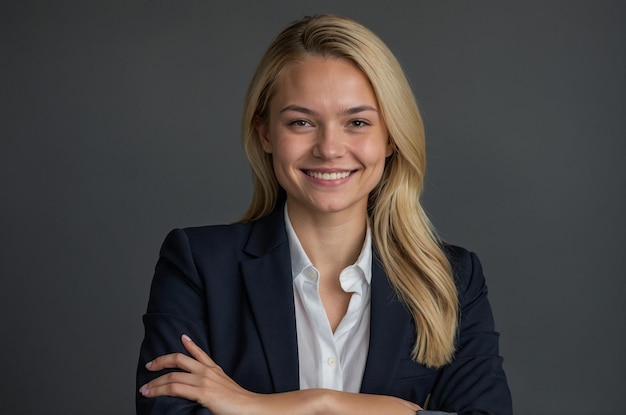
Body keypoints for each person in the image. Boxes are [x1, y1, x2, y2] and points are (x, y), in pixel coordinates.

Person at [136, 14, 512, 415]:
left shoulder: (453, 279)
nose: (329, 148)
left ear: (391, 137)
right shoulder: (198, 264)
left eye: (357, 122)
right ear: (265, 133)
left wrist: (303, 403)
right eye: (301, 122)